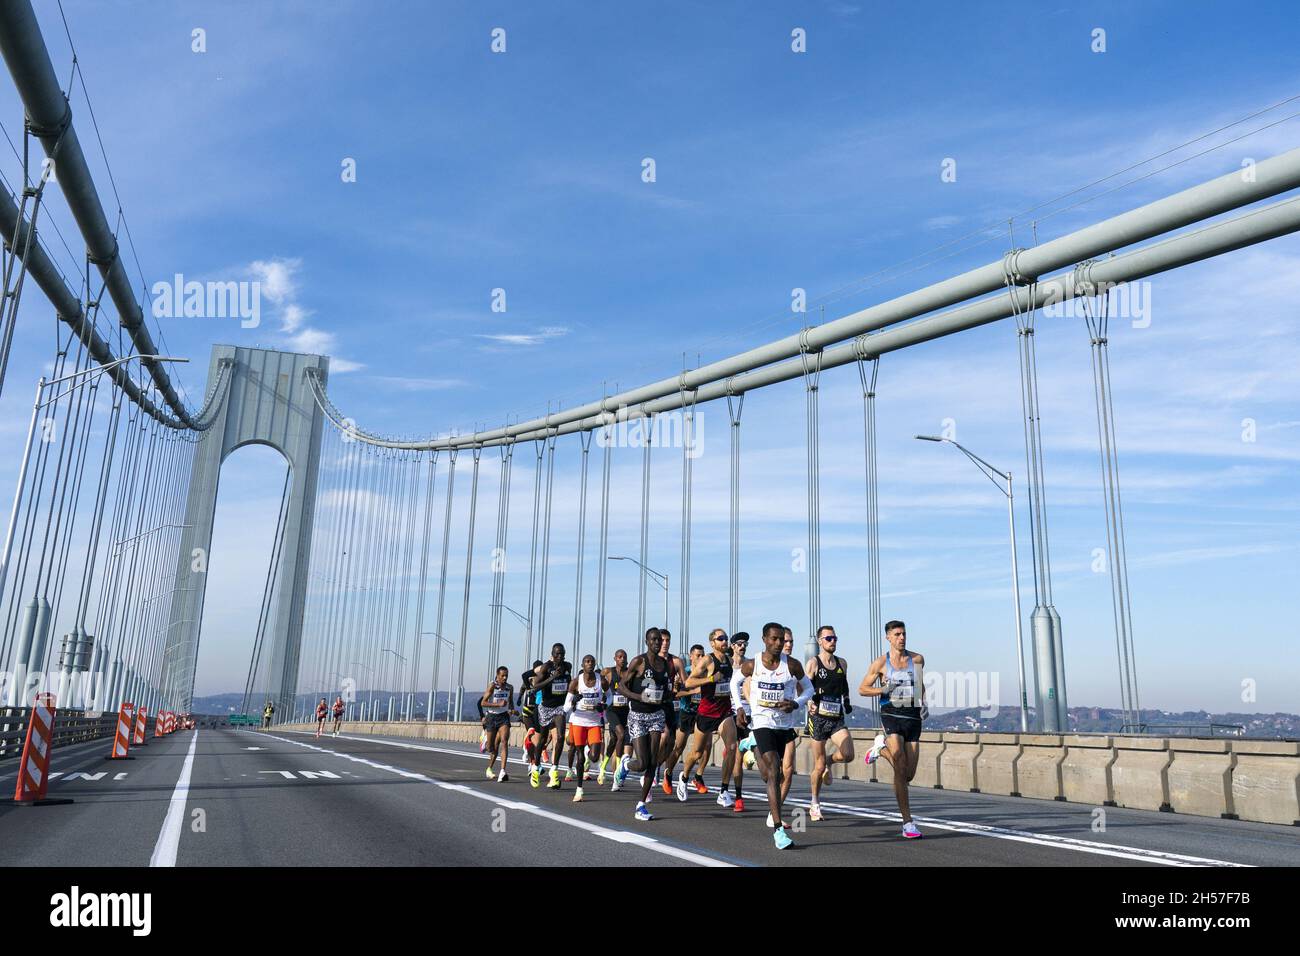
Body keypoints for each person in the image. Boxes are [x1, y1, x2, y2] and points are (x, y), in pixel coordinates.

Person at [731, 622, 814, 850]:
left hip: (783, 725)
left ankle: (751, 743)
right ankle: (778, 830)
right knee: (775, 771)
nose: (778, 644)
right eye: (774, 639)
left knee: (769, 776)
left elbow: (809, 690)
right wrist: (739, 708)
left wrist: (795, 703)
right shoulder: (753, 664)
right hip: (761, 721)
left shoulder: (792, 665)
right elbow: (734, 682)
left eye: (782, 640)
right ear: (765, 639)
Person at [859, 620, 926, 839]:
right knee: (899, 763)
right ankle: (908, 822)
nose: (902, 638)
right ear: (888, 637)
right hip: (891, 715)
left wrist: (923, 703)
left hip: (912, 717)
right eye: (897, 634)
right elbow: (862, 689)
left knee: (908, 774)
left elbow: (919, 685)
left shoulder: (917, 659)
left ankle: (880, 748)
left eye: (904, 634)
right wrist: (884, 688)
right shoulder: (880, 663)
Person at [613, 628, 671, 821]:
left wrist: (670, 694)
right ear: (647, 641)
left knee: (653, 762)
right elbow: (621, 686)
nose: (658, 642)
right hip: (637, 715)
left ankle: (641, 805)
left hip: (656, 715)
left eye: (660, 640)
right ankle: (626, 765)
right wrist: (639, 697)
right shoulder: (639, 661)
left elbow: (665, 690)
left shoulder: (664, 664)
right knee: (643, 762)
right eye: (654, 639)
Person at [679, 628, 739, 806]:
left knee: (732, 747)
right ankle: (684, 777)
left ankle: (724, 791)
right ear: (712, 643)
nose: (724, 641)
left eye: (726, 638)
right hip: (706, 712)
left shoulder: (729, 660)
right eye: (720, 638)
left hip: (724, 711)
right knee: (697, 752)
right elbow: (689, 682)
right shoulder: (707, 660)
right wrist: (711, 679)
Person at [804, 625, 855, 821]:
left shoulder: (842, 663)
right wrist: (809, 703)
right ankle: (815, 803)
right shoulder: (813, 663)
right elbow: (805, 688)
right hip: (817, 720)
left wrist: (848, 702)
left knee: (848, 754)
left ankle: (829, 761)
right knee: (817, 767)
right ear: (820, 641)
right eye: (828, 638)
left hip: (836, 718)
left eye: (834, 638)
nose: (832, 641)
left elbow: (845, 686)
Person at [564, 655, 608, 802]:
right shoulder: (576, 682)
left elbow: (610, 696)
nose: (590, 664)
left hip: (594, 721)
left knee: (595, 756)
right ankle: (579, 790)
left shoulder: (601, 680)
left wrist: (604, 704)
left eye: (592, 662)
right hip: (578, 721)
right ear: (582, 665)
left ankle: (589, 750)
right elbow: (565, 707)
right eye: (587, 662)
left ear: (594, 665)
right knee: (580, 756)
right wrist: (573, 701)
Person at [663, 645, 704, 797]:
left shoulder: (706, 671)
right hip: (686, 713)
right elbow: (676, 693)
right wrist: (694, 691)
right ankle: (668, 773)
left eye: (702, 655)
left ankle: (696, 777)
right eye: (698, 655)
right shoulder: (685, 671)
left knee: (704, 747)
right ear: (691, 656)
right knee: (679, 747)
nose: (701, 658)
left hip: (701, 713)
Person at [531, 644, 573, 789]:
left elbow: (569, 684)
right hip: (546, 707)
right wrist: (552, 677)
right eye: (557, 654)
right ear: (552, 654)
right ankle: (536, 766)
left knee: (560, 736)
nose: (560, 657)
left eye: (562, 654)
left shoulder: (568, 666)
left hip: (560, 707)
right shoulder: (546, 667)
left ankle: (554, 769)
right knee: (542, 739)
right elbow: (536, 686)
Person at [655, 628, 688, 793]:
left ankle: (657, 766)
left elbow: (686, 683)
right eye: (662, 640)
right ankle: (653, 766)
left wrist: (679, 685)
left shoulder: (676, 662)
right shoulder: (651, 661)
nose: (665, 644)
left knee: (672, 745)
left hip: (671, 706)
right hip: (655, 706)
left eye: (668, 640)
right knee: (664, 735)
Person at [727, 631, 751, 811]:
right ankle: (738, 797)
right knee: (737, 757)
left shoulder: (751, 665)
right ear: (733, 646)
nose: (743, 646)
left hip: (750, 714)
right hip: (731, 713)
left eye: (745, 644)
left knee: (744, 756)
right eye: (740, 643)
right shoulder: (726, 665)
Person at [600, 649, 630, 788]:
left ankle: (603, 767)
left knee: (614, 740)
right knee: (621, 735)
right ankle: (618, 770)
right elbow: (597, 682)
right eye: (619, 657)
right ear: (615, 658)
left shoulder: (630, 672)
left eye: (624, 657)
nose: (622, 659)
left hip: (625, 711)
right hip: (612, 711)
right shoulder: (608, 672)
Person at [480, 666, 515, 782]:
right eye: (502, 676)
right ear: (497, 675)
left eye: (506, 676)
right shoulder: (492, 686)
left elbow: (510, 703)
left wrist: (512, 710)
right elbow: (483, 703)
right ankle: (485, 739)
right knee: (491, 748)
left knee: (504, 741)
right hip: (491, 717)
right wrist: (498, 704)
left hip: (503, 717)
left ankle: (502, 771)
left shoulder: (509, 688)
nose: (505, 678)